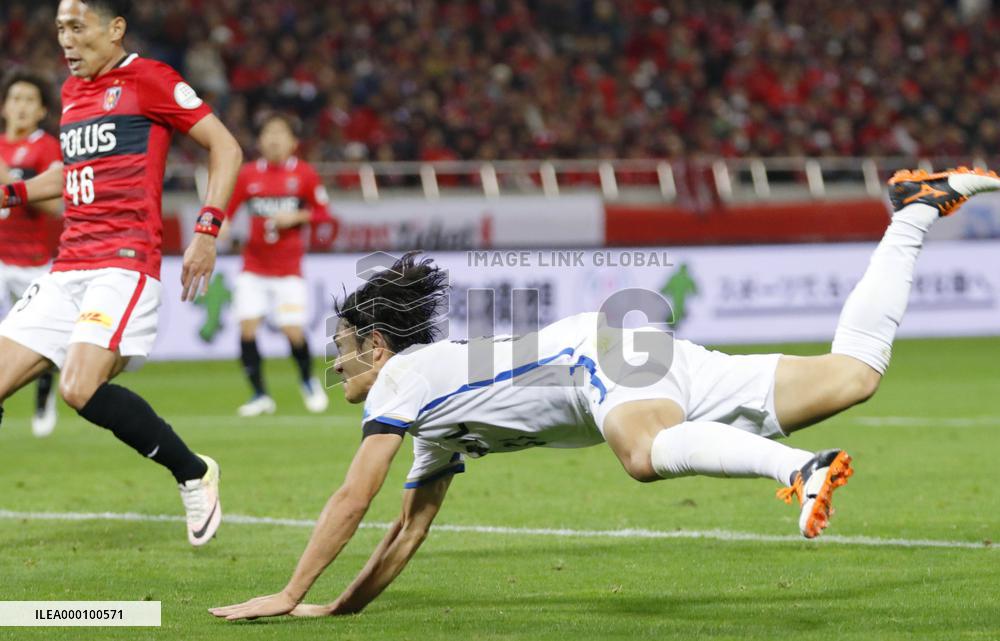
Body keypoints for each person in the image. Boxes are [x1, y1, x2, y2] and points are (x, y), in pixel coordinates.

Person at [210, 167, 1000, 619]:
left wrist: (286, 589)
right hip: (643, 357)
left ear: (378, 346)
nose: (340, 365)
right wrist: (334, 609)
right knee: (852, 375)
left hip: (601, 355)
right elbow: (404, 532)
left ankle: (794, 469)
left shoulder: (408, 376)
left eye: (346, 350)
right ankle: (916, 211)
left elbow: (354, 496)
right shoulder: (434, 418)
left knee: (643, 455)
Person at [0, 0, 243, 546]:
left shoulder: (150, 80)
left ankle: (193, 472)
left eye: (77, 27)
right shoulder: (71, 93)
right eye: (60, 28)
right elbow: (70, 172)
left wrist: (206, 230)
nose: (66, 40)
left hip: (123, 261)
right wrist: (12, 193)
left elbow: (224, 146)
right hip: (68, 265)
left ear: (114, 30)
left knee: (79, 387)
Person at [223, 113, 332, 417]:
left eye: (280, 133)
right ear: (259, 141)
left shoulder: (305, 174)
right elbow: (227, 208)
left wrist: (296, 217)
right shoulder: (248, 175)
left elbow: (324, 214)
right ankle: (259, 395)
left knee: (292, 331)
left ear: (293, 142)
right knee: (247, 329)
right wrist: (223, 224)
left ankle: (308, 380)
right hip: (253, 267)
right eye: (268, 133)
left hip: (288, 270)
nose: (274, 139)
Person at [0, 70, 63, 437]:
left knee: (43, 340)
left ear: (40, 111)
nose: (21, 106)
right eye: (16, 98)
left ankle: (43, 395)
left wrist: (11, 180)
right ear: (5, 106)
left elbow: (56, 207)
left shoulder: (46, 147)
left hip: (34, 263)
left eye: (29, 100)